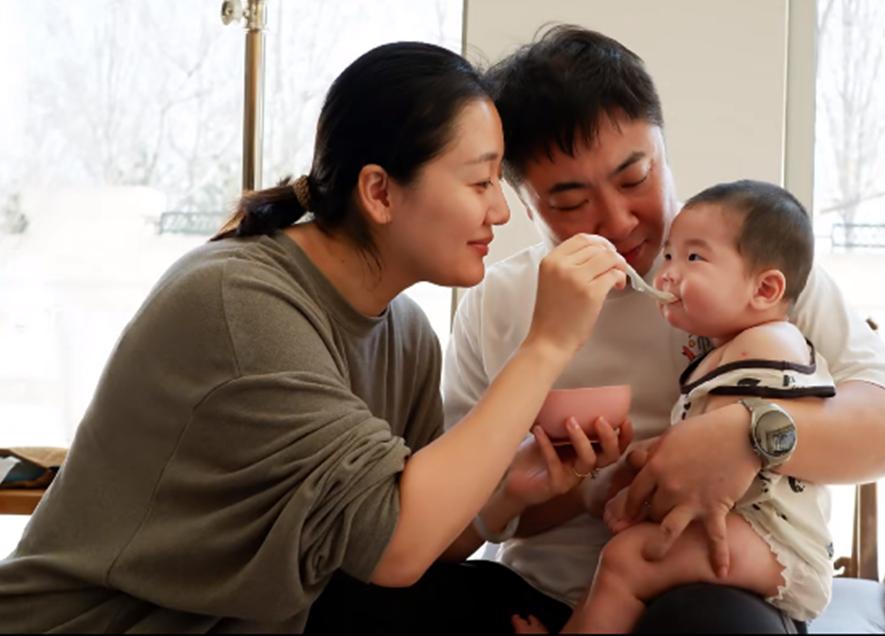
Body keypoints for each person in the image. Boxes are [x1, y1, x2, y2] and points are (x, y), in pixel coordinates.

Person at [0, 42, 633, 633]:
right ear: (379, 192)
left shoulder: (406, 334)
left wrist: (507, 494)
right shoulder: (239, 302)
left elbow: (407, 549)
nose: (500, 210)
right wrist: (547, 345)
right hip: (94, 624)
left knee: (494, 598)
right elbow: (397, 547)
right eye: (480, 182)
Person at [442, 25, 885, 632]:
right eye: (570, 203)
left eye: (634, 178)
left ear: (664, 149)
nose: (617, 220)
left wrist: (749, 433)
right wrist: (576, 491)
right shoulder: (496, 303)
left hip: (716, 588)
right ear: (524, 203)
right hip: (539, 590)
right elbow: (457, 516)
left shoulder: (749, 269)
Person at [512, 179, 839, 634]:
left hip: (778, 542)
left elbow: (706, 451)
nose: (667, 273)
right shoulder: (729, 348)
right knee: (623, 557)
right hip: (754, 531)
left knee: (627, 559)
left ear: (765, 289)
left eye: (694, 258)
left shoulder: (767, 343)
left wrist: (631, 486)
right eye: (669, 255)